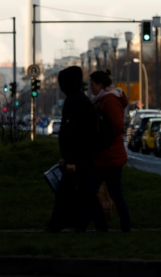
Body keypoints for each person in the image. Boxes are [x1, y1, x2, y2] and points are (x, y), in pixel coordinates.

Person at [47, 66, 103, 233]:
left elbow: (79, 134)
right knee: (86, 194)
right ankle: (88, 225)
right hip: (78, 158)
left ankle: (58, 225)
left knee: (70, 194)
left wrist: (72, 160)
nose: (60, 86)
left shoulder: (77, 102)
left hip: (79, 159)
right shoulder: (76, 100)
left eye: (62, 83)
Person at [89, 69, 131, 232]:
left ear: (100, 85)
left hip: (109, 156)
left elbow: (118, 126)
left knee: (99, 191)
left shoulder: (110, 100)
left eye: (93, 85)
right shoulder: (103, 99)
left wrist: (101, 139)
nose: (91, 88)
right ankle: (118, 226)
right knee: (112, 193)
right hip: (107, 155)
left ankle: (107, 226)